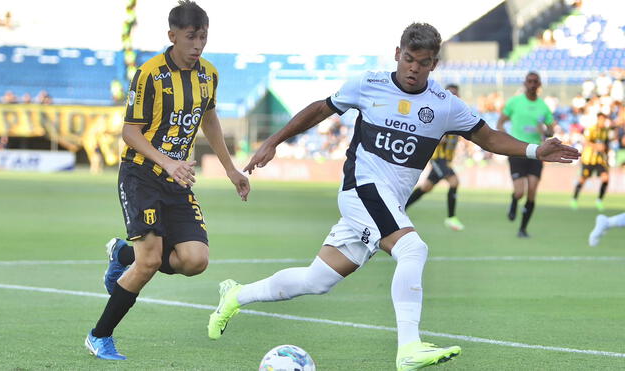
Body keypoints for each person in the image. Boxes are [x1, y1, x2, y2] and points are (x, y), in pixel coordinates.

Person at [206, 23, 579, 371]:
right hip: (361, 190)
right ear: (397, 53)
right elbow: (320, 109)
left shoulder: (444, 104)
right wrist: (273, 140)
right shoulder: (367, 84)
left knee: (316, 280)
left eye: (424, 63)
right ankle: (409, 347)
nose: (414, 68)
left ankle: (236, 295)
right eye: (408, 59)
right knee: (413, 249)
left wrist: (534, 150)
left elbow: (487, 136)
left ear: (434, 64)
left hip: (385, 202)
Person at [84, 1, 250, 360]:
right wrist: (168, 162)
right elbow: (130, 133)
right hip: (141, 176)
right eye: (191, 37)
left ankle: (122, 253)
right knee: (148, 263)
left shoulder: (209, 75)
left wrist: (230, 169)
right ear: (172, 35)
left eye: (203, 38)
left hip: (176, 181)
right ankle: (99, 336)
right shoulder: (149, 74)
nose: (198, 46)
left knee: (194, 260)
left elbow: (209, 120)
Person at [496, 72, 555, 238]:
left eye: (535, 81)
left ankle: (522, 229)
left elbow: (551, 130)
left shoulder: (543, 106)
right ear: (525, 83)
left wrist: (544, 129)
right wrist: (505, 138)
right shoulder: (515, 102)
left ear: (539, 84)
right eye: (529, 81)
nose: (532, 84)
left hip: (537, 152)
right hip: (517, 150)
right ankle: (514, 200)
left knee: (532, 191)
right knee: (520, 191)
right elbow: (500, 122)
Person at [405, 84, 465, 231]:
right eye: (450, 93)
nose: (453, 96)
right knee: (454, 182)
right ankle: (451, 218)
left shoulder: (457, 113)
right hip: (437, 158)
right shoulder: (437, 112)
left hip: (446, 159)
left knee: (426, 187)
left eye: (456, 94)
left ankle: (400, 209)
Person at [570, 112, 610, 211]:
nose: (602, 121)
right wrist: (597, 146)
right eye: (601, 119)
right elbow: (586, 142)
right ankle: (574, 198)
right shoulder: (591, 129)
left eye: (604, 120)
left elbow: (605, 144)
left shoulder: (605, 131)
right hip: (588, 159)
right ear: (598, 119)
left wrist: (606, 150)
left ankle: (599, 201)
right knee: (583, 179)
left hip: (600, 160)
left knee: (606, 178)